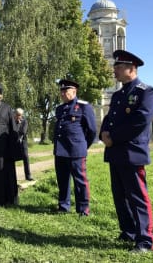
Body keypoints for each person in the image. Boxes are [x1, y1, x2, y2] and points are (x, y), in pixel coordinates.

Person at [100, 50, 153, 253]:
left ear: (131, 69)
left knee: (137, 196)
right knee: (120, 195)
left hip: (132, 153)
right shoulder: (118, 95)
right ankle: (129, 231)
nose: (114, 70)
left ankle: (144, 239)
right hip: (115, 153)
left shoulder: (145, 92)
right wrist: (103, 134)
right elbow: (109, 119)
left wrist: (113, 137)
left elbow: (140, 120)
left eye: (118, 66)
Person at [53, 79, 97, 216]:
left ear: (74, 91)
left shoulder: (84, 107)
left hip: (76, 151)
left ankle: (83, 209)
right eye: (61, 91)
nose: (62, 94)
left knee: (80, 181)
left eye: (65, 91)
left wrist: (83, 145)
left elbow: (92, 130)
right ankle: (63, 206)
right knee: (62, 180)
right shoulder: (59, 109)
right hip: (60, 150)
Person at [14, 108, 33, 181]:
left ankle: (28, 176)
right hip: (14, 142)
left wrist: (18, 125)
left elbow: (23, 131)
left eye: (21, 115)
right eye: (18, 115)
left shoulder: (24, 121)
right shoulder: (12, 121)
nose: (19, 116)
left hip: (22, 142)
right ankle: (11, 177)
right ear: (15, 114)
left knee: (26, 157)